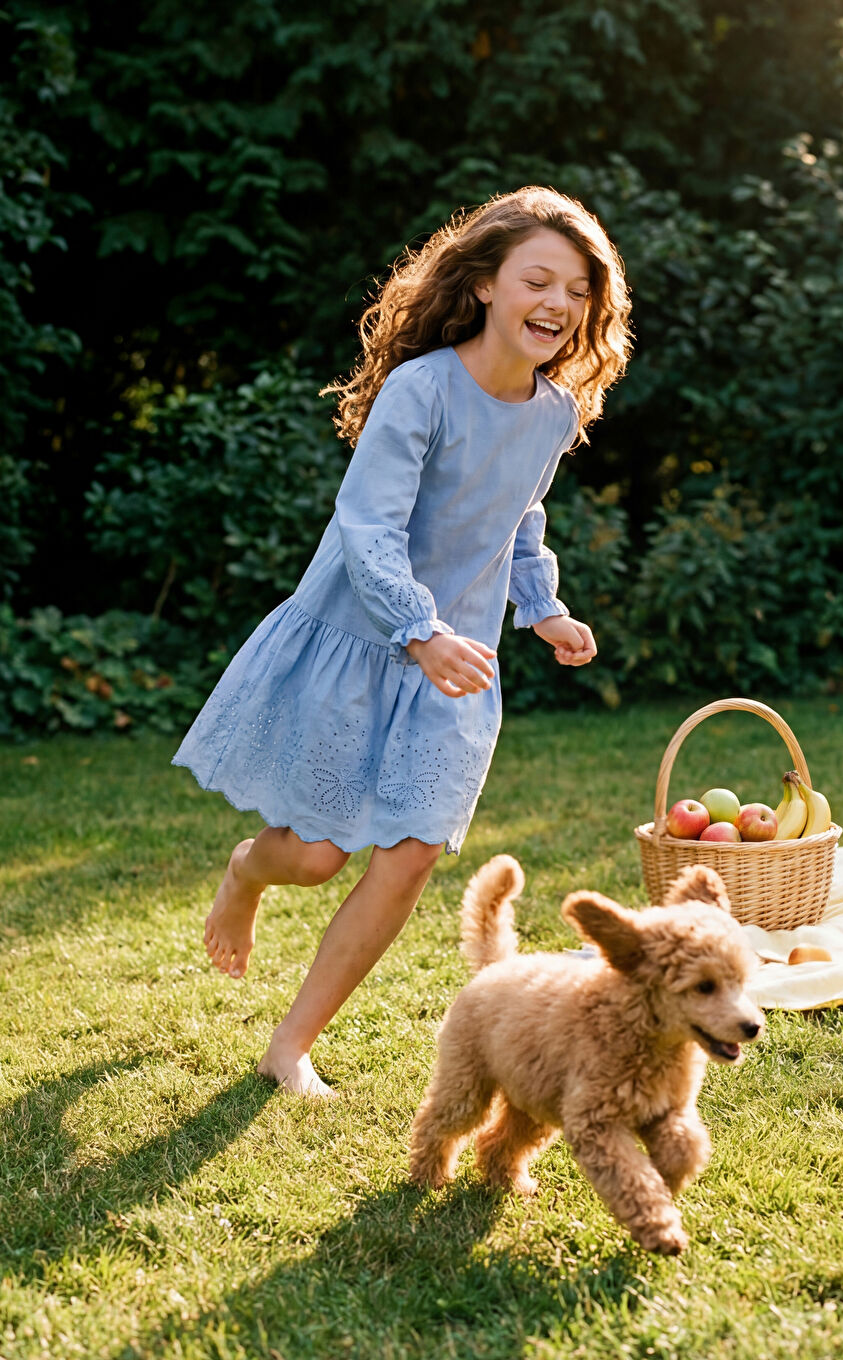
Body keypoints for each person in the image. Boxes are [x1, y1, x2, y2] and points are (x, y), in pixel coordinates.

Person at [172, 186, 633, 1096]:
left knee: (413, 851)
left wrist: (542, 608)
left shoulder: (551, 413)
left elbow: (520, 515)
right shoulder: (421, 389)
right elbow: (366, 527)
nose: (558, 304)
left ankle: (290, 1045)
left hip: (457, 665)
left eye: (579, 291)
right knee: (312, 856)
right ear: (487, 285)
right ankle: (244, 873)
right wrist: (418, 632)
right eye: (538, 280)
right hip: (363, 640)